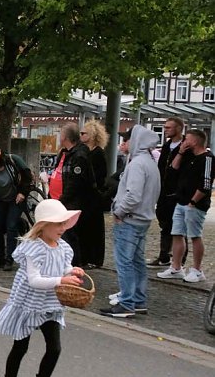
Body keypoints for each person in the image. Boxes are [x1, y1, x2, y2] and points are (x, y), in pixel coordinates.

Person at [0, 199, 85, 377]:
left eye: (64, 223)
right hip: (29, 302)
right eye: (58, 224)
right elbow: (35, 280)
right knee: (21, 346)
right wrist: (61, 281)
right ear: (43, 225)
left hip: (50, 303)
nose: (63, 228)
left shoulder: (64, 248)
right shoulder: (33, 248)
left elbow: (64, 267)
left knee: (54, 348)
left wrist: (72, 272)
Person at [99, 125, 160, 318]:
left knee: (125, 262)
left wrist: (119, 211)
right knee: (137, 261)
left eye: (127, 139)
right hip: (143, 218)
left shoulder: (137, 164)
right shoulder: (150, 162)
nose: (124, 143)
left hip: (130, 219)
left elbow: (133, 195)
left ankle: (126, 302)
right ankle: (138, 299)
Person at [156, 129, 215, 283]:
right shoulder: (188, 157)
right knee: (177, 233)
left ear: (194, 141)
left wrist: (193, 202)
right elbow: (173, 170)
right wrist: (180, 153)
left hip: (195, 204)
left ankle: (197, 269)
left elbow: (206, 184)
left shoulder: (207, 158)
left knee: (195, 235)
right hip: (180, 201)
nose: (183, 142)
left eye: (186, 139)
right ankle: (176, 267)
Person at [0, 142, 32, 271]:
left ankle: (10, 258)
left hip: (16, 199)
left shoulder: (13, 160)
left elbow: (27, 175)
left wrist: (22, 192)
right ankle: (0, 257)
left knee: (11, 226)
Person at [58, 123, 97, 266]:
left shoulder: (79, 155)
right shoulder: (68, 153)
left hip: (75, 202)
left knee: (71, 235)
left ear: (65, 137)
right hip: (70, 201)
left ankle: (74, 265)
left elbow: (75, 182)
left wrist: (63, 200)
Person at [150, 117, 185, 267]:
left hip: (177, 192)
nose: (165, 130)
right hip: (164, 192)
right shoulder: (166, 146)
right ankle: (164, 255)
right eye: (164, 127)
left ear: (178, 128)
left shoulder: (185, 147)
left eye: (168, 127)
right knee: (165, 224)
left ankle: (180, 260)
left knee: (179, 227)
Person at [78, 120, 108, 268]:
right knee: (84, 228)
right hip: (85, 196)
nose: (81, 135)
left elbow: (100, 175)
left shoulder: (97, 153)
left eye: (84, 133)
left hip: (93, 197)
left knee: (93, 228)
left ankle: (93, 258)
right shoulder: (85, 151)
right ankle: (84, 256)